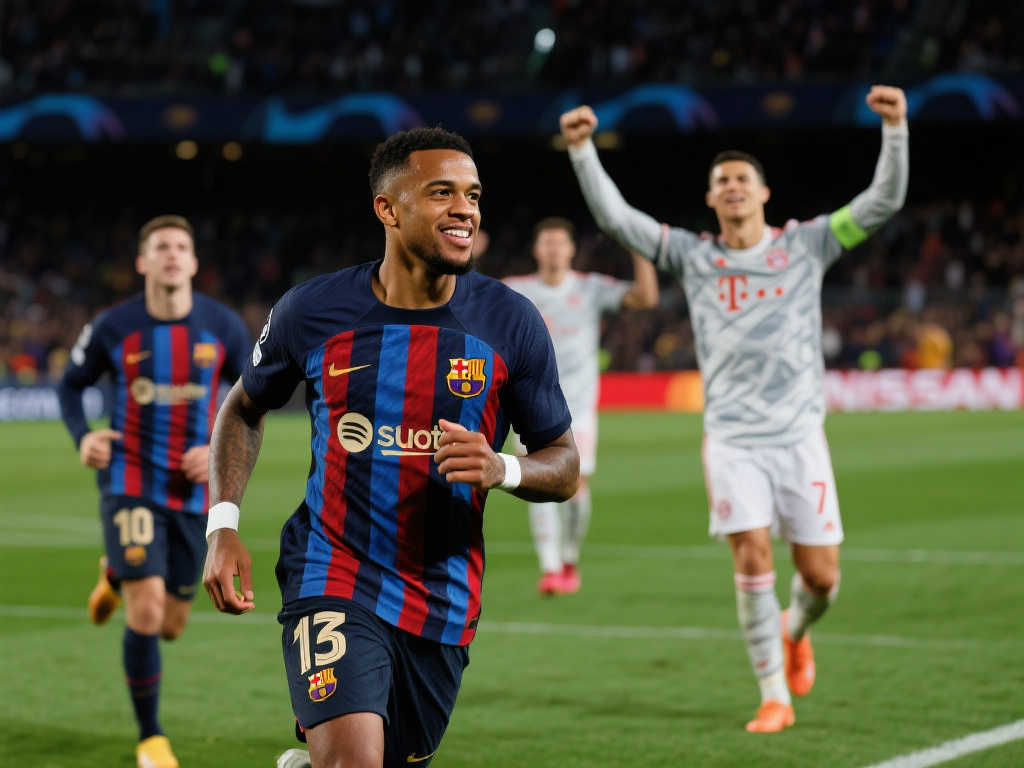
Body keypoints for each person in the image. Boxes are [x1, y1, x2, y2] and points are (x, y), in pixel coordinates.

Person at [201, 127, 579, 768]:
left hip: (444, 594)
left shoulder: (510, 323)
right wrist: (222, 524)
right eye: (442, 193)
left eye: (473, 195)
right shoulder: (312, 311)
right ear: (388, 208)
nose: (465, 209)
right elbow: (243, 406)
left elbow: (564, 465)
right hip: (331, 568)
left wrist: (503, 468)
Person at [559, 85, 909, 732]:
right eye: (722, 181)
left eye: (743, 178)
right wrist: (582, 150)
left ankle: (795, 630)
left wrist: (895, 129)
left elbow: (882, 201)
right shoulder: (693, 255)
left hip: (799, 436)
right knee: (751, 556)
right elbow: (619, 220)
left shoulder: (808, 244)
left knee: (821, 578)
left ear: (764, 193)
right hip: (732, 439)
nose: (733, 187)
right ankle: (773, 695)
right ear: (711, 197)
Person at [58, 215, 251, 767]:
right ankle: (151, 738)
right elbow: (70, 386)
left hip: (192, 492)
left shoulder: (224, 327)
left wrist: (215, 449)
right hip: (130, 481)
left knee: (170, 625)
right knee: (144, 613)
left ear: (193, 262)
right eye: (161, 247)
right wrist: (84, 436)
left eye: (181, 247)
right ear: (143, 262)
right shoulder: (113, 326)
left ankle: (114, 573)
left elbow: (250, 401)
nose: (171, 255)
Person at [505, 219, 658, 594]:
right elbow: (468, 301)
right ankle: (550, 568)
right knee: (537, 482)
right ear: (536, 249)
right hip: (528, 403)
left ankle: (569, 558)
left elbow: (646, 298)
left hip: (578, 407)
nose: (554, 249)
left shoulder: (590, 288)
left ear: (571, 250)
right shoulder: (516, 290)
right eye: (547, 242)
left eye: (560, 243)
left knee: (575, 486)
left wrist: (638, 248)